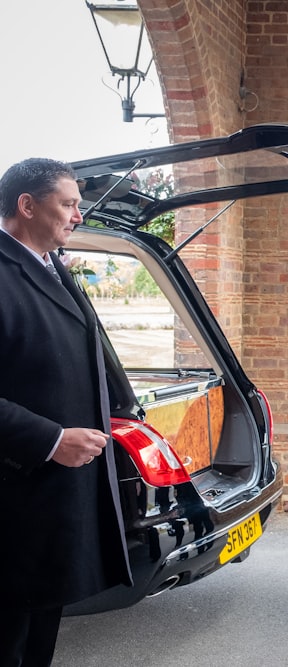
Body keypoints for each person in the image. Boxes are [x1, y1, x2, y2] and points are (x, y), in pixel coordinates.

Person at [0, 158, 131, 665]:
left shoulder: (51, 266)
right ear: (27, 205)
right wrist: (52, 439)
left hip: (51, 506)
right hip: (13, 504)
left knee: (38, 645)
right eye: (69, 203)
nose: (79, 215)